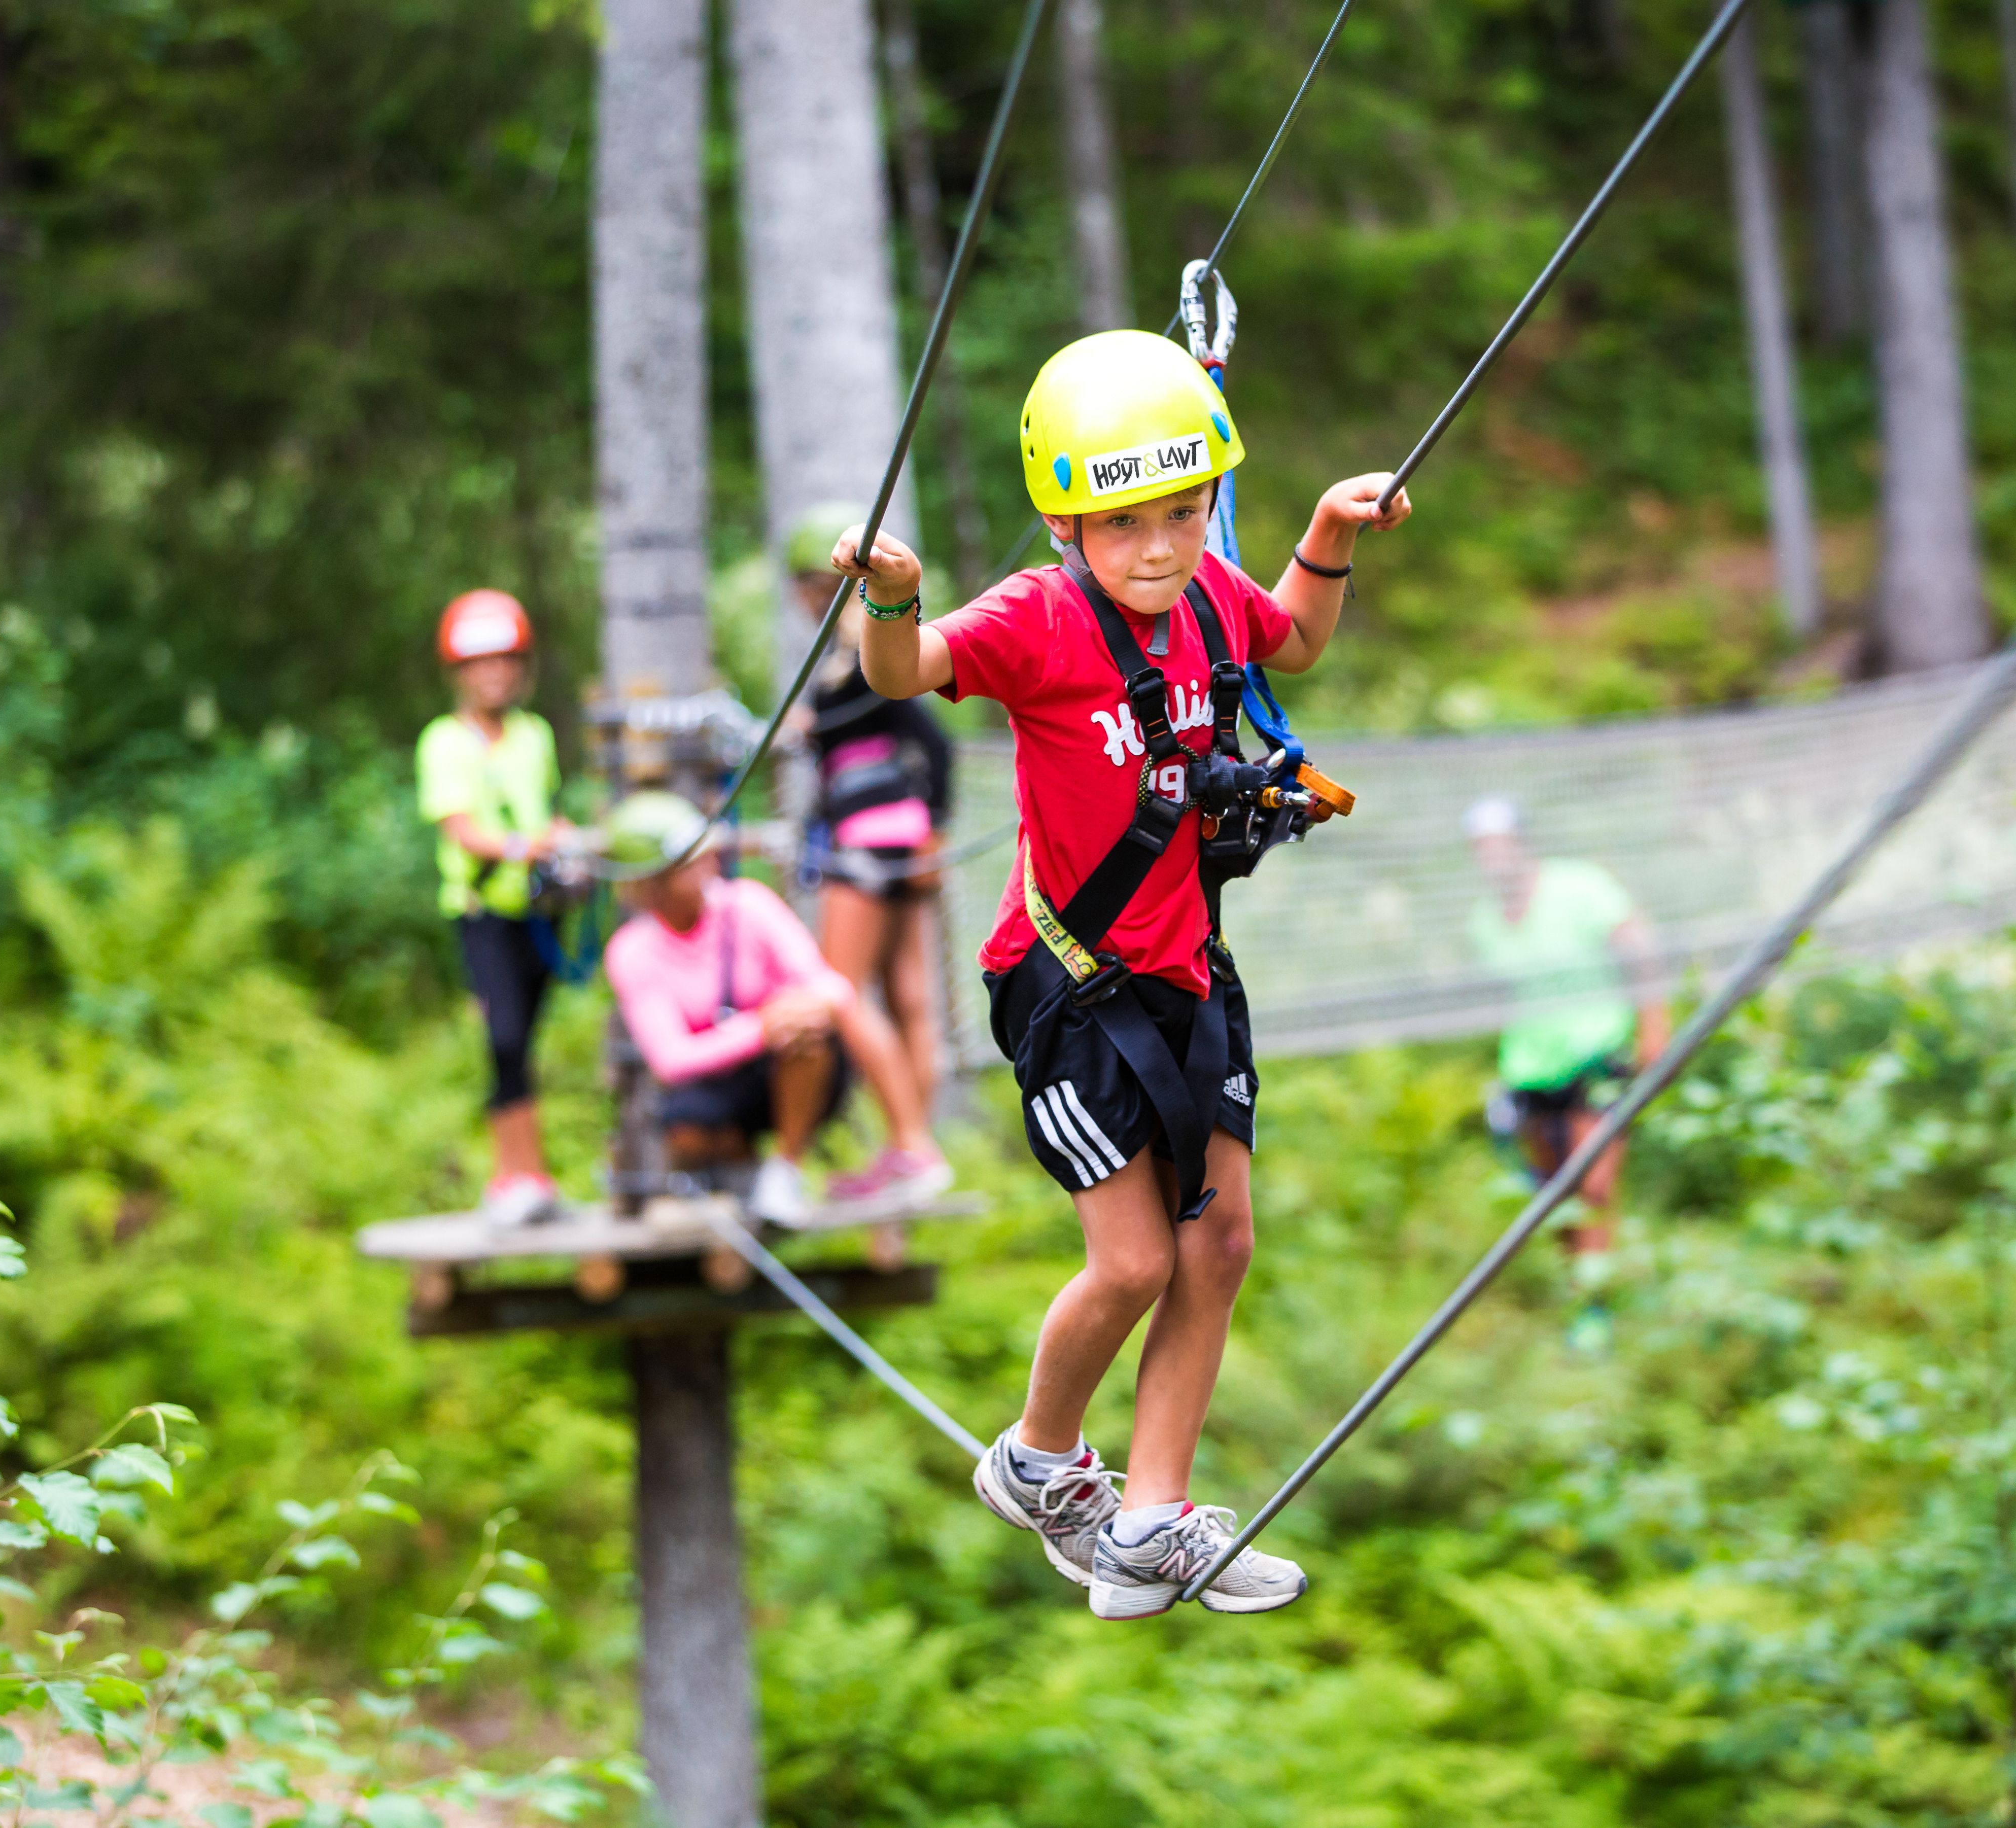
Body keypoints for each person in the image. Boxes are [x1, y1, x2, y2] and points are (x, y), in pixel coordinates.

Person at [838, 329, 1413, 1620]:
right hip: (1069, 982)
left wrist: (1326, 527)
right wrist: (891, 593)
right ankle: (1037, 1456)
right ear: (1064, 520)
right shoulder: (1035, 618)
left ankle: (1152, 1515)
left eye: (1185, 510)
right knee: (1140, 1258)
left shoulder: (1210, 596)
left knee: (1221, 1247)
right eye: (1125, 522)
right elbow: (905, 672)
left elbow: (1298, 642)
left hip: (1189, 970)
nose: (1160, 545)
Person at [600, 791, 952, 1223]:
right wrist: (759, 1028)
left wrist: (790, 1012)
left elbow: (834, 989)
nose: (709, 865)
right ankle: (738, 1174)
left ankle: (800, 1167)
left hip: (787, 1073)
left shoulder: (748, 905)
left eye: (706, 854)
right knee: (689, 1125)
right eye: (689, 863)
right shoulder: (633, 951)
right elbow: (670, 1060)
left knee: (806, 1028)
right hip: (715, 1090)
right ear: (649, 883)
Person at [1461, 794, 1669, 1350]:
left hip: (1597, 1055)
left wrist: (1655, 1031)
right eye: (1482, 848)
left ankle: (1595, 1313)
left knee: (1592, 1184)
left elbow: (1641, 949)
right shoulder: (1485, 920)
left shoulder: (1580, 887)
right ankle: (1584, 1295)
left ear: (1522, 842)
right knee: (1554, 1197)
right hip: (1531, 1073)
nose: (1492, 857)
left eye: (1500, 844)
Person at [786, 501, 957, 1133]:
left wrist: (937, 827)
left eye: (810, 589)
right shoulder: (845, 657)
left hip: (868, 836)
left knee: (841, 991)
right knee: (910, 997)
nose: (806, 601)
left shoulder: (864, 651)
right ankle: (915, 1146)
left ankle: (911, 1143)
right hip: (902, 834)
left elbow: (934, 742)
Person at [415, 589, 574, 1228]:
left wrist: (561, 842)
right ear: (460, 673)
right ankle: (514, 1175)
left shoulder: (535, 735)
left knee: (524, 1043)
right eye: (482, 663)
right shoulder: (444, 743)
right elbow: (460, 828)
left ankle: (525, 1174)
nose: (495, 674)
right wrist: (521, 846)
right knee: (504, 1039)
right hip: (484, 911)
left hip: (539, 912)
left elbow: (549, 809)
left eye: (505, 661)